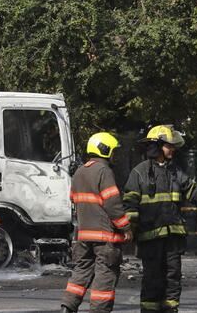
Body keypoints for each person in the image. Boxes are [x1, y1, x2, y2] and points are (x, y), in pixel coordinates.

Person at [123, 124, 197, 313]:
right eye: (169, 146)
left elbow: (192, 190)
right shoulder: (139, 172)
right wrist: (130, 229)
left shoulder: (175, 171)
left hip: (173, 239)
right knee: (152, 281)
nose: (173, 149)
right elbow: (130, 204)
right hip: (150, 239)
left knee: (173, 279)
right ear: (157, 146)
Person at [60, 132, 131, 313]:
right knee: (105, 276)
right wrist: (126, 228)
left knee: (81, 271)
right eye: (113, 151)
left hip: (84, 236)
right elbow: (112, 204)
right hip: (104, 237)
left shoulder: (79, 172)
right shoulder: (104, 171)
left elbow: (73, 198)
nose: (114, 155)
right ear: (104, 150)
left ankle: (67, 307)